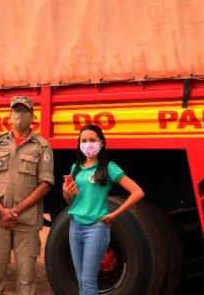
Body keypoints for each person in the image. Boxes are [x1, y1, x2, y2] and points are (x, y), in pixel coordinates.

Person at [0, 96, 54, 295]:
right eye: (16, 110)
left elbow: (46, 184)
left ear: (32, 115)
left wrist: (14, 211)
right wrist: (1, 210)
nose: (19, 114)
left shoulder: (42, 146)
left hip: (26, 222)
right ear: (10, 114)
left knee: (27, 279)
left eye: (24, 110)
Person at [62, 124, 144, 295]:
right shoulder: (75, 168)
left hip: (96, 229)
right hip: (75, 226)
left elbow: (137, 192)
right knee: (81, 282)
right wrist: (66, 194)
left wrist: (114, 214)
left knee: (88, 282)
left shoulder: (108, 167)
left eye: (92, 140)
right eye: (83, 140)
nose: (88, 144)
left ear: (101, 143)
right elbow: (71, 202)